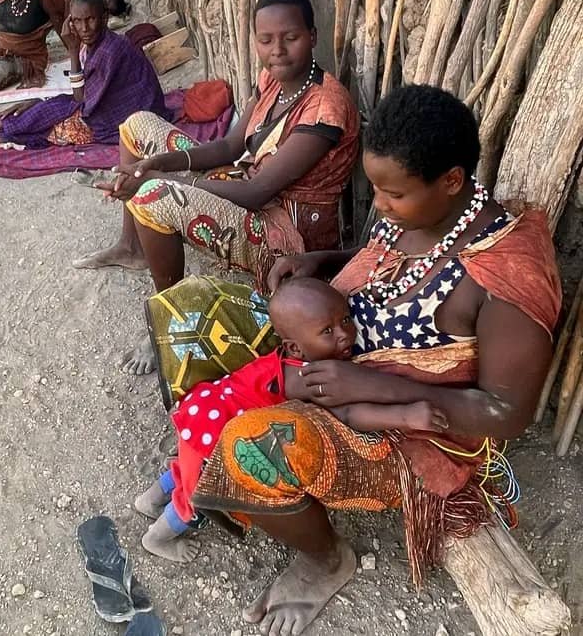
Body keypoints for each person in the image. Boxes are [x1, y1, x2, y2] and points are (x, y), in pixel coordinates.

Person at [145, 85, 561, 636]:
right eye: (378, 190)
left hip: (407, 428)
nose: (381, 206)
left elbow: (506, 412)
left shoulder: (505, 280)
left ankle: (325, 559)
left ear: (453, 181)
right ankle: (191, 471)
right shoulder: (423, 210)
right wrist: (320, 259)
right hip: (335, 354)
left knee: (251, 446)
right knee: (191, 319)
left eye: (393, 195)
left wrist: (361, 382)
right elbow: (386, 256)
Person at [75, 0, 360, 376]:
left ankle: (169, 320)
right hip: (246, 184)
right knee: (136, 125)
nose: (277, 49)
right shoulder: (273, 81)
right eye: (265, 39)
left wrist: (157, 177)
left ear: (312, 36)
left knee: (153, 195)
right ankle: (133, 247)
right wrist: (158, 160)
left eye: (290, 38)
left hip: (288, 233)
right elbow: (228, 145)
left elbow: (258, 192)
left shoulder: (325, 108)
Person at [135, 278, 446, 564]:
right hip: (215, 431)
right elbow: (348, 413)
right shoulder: (314, 379)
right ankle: (157, 537)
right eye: (328, 331)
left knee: (185, 469)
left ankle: (150, 501)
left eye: (346, 320)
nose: (344, 334)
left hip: (205, 412)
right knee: (193, 494)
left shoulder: (298, 360)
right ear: (295, 347)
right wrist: (404, 415)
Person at [0, 0, 168, 151]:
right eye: (77, 21)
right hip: (109, 108)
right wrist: (40, 100)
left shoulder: (109, 50)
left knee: (47, 124)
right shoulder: (97, 44)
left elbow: (83, 99)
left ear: (104, 18)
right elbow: (85, 94)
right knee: (41, 109)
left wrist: (71, 51)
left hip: (124, 121)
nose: (84, 27)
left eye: (91, 19)